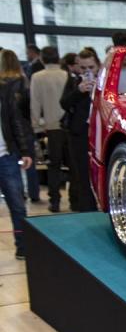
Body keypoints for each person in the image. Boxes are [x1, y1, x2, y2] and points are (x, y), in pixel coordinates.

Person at [0, 50, 35, 259]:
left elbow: (15, 122)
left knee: (17, 205)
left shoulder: (4, 94)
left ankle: (23, 247)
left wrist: (25, 151)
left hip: (7, 157)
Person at [59, 48, 99, 212]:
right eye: (83, 68)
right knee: (82, 176)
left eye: (91, 67)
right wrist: (79, 91)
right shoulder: (74, 82)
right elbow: (64, 103)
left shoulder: (107, 82)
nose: (87, 71)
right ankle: (87, 211)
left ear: (98, 65)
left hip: (100, 134)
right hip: (79, 134)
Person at [30, 46, 68, 212]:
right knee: (74, 165)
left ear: (42, 59)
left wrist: (36, 125)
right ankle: (77, 199)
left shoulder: (37, 77)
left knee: (54, 165)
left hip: (51, 127)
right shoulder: (67, 75)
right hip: (70, 126)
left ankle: (55, 201)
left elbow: (35, 103)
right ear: (58, 58)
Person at [0, 50, 39, 204]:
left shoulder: (3, 85)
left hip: (8, 131)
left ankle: (19, 193)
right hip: (23, 128)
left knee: (13, 165)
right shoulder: (23, 81)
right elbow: (28, 107)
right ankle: (33, 193)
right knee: (29, 163)